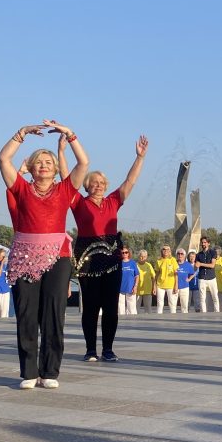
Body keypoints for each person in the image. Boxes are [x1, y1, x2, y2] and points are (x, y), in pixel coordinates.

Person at [0, 120, 89, 389]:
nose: (44, 165)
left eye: (49, 162)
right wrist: (21, 133)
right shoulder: (21, 188)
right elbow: (4, 158)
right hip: (25, 256)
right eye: (39, 162)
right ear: (32, 167)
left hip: (58, 257)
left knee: (53, 313)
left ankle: (49, 372)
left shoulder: (65, 189)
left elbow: (83, 163)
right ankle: (29, 372)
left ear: (55, 169)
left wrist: (69, 134)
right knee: (26, 314)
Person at [68, 135, 148, 361]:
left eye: (102, 183)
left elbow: (130, 181)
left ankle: (108, 349)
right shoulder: (78, 202)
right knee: (91, 306)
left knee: (111, 307)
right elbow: (67, 179)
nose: (98, 186)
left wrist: (140, 158)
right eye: (94, 183)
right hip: (87, 258)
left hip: (112, 257)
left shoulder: (113, 200)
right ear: (86, 185)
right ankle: (90, 349)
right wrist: (61, 150)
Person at [194, 237, 220, 313]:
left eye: (205, 242)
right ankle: (203, 313)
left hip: (211, 278)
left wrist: (201, 264)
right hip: (202, 278)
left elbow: (212, 265)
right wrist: (195, 266)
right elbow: (195, 268)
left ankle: (217, 312)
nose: (203, 244)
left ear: (208, 243)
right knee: (202, 298)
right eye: (202, 242)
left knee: (215, 296)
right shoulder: (198, 255)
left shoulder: (213, 252)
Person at [154, 245, 178, 313]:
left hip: (170, 285)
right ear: (162, 251)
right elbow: (156, 274)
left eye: (167, 249)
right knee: (160, 304)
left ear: (170, 251)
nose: (166, 251)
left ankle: (173, 319)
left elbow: (176, 274)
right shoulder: (158, 260)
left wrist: (176, 285)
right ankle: (159, 318)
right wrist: (154, 286)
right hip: (160, 285)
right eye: (164, 249)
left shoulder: (172, 260)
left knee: (172, 303)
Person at [118, 247, 139, 316]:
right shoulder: (118, 263)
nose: (124, 254)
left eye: (126, 252)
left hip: (130, 288)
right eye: (123, 252)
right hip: (120, 289)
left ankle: (133, 323)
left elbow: (137, 276)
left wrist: (135, 286)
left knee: (131, 308)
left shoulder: (132, 263)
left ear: (129, 253)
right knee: (120, 308)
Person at [175, 248, 195, 314]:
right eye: (178, 254)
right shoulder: (173, 263)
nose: (180, 255)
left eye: (181, 254)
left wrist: (189, 279)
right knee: (173, 306)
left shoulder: (188, 265)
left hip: (184, 287)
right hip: (174, 287)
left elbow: (193, 273)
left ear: (184, 256)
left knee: (184, 306)